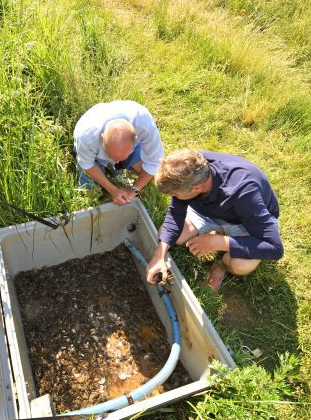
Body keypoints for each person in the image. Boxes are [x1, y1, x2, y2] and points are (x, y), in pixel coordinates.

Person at [145, 149, 283, 292]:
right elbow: (175, 213)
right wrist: (159, 256)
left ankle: (220, 266)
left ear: (197, 188)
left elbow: (274, 248)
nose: (174, 197)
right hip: (208, 210)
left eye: (175, 194)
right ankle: (217, 231)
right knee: (166, 236)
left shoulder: (245, 194)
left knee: (242, 265)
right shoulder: (191, 167)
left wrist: (216, 243)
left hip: (244, 221)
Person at [73, 100, 164, 205]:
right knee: (92, 193)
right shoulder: (86, 137)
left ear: (136, 138)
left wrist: (133, 190)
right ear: (102, 138)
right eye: (112, 157)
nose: (115, 161)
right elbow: (87, 163)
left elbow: (154, 163)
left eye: (120, 159)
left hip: (130, 148)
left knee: (151, 173)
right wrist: (113, 190)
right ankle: (110, 168)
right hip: (95, 155)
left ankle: (118, 167)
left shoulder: (144, 124)